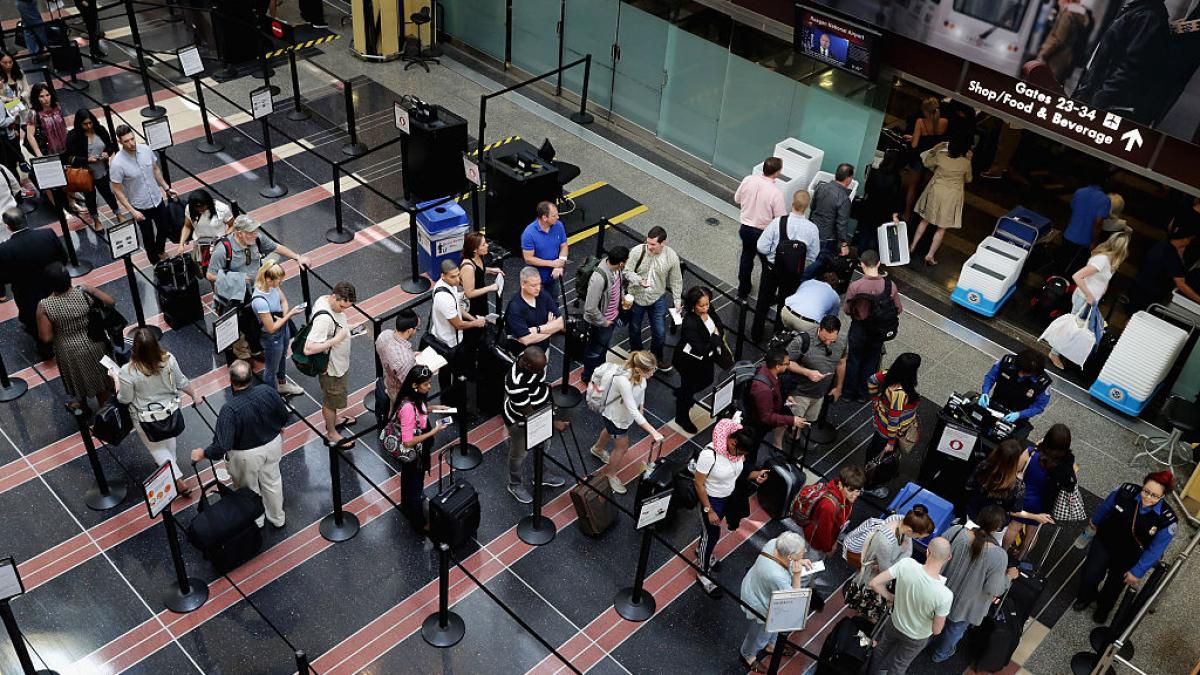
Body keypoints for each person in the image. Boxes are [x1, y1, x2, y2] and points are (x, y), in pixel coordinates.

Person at [191, 360, 290, 529]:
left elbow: (223, 445)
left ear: (231, 381)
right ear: (251, 377)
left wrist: (203, 453)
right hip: (273, 444)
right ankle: (277, 518)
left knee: (248, 489)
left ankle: (256, 520)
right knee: (273, 481)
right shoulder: (267, 391)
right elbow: (283, 414)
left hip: (246, 455)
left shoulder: (229, 409)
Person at [1074, 471, 1178, 623]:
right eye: (1146, 491)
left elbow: (1155, 550)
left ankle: (1103, 609)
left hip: (1129, 555)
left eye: (1154, 495)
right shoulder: (1125, 492)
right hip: (1105, 542)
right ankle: (1085, 597)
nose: (1147, 498)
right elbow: (1106, 506)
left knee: (1114, 587)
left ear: (1163, 496)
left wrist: (1137, 571)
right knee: (1090, 574)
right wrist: (1095, 521)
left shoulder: (1167, 520)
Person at [112, 328, 201, 497]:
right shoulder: (168, 360)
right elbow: (181, 381)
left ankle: (177, 479)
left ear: (135, 349)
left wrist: (116, 380)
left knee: (157, 449)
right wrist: (195, 394)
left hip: (146, 419)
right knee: (169, 442)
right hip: (171, 411)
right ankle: (171, 466)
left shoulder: (127, 371)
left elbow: (125, 398)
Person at [207, 215, 308, 359]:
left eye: (255, 230)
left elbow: (276, 247)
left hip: (258, 289)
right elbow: (210, 275)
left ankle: (257, 348)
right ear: (239, 233)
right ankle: (244, 351)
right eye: (251, 232)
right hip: (236, 296)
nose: (255, 234)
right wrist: (238, 278)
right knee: (244, 325)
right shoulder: (223, 249)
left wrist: (297, 257)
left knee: (259, 320)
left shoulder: (257, 239)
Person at [930, 505, 1019, 662]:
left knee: (930, 620)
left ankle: (923, 643)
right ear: (998, 527)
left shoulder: (956, 531)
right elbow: (994, 588)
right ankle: (940, 654)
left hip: (939, 591)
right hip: (967, 605)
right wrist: (1009, 577)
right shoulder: (998, 555)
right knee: (954, 629)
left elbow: (935, 551)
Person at [694, 422, 769, 598]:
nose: (741, 457)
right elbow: (698, 483)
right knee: (711, 535)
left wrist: (755, 474)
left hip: (728, 496)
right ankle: (702, 572)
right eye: (741, 453)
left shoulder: (735, 454)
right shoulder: (709, 455)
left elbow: (738, 472)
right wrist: (709, 510)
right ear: (732, 442)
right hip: (712, 500)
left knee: (710, 534)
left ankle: (702, 552)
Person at [1071, 0, 1170, 125]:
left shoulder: (1148, 16)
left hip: (1107, 105)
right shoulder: (1138, 10)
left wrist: (1099, 99)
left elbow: (1131, 66)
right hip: (1097, 96)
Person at [866, 537, 954, 675]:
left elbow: (874, 583)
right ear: (948, 558)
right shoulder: (945, 595)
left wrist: (890, 597)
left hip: (895, 623)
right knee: (899, 665)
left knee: (880, 650)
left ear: (927, 552)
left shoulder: (906, 564)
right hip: (917, 637)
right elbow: (936, 630)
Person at [36, 262, 115, 410]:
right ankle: (106, 411)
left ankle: (82, 405)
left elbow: (46, 337)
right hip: (95, 342)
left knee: (77, 379)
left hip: (68, 351)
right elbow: (110, 302)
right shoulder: (83, 291)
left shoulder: (45, 305)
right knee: (100, 379)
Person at [588, 350, 665, 495]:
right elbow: (632, 409)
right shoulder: (623, 380)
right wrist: (653, 431)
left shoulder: (640, 375)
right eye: (650, 371)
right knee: (622, 447)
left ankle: (597, 449)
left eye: (654, 369)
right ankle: (610, 475)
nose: (652, 374)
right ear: (638, 369)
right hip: (615, 417)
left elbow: (641, 392)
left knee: (609, 430)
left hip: (621, 416)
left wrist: (641, 407)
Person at [1049, 232, 1130, 369]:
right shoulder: (1102, 260)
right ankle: (1054, 353)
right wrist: (1089, 295)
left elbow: (1103, 280)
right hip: (1084, 298)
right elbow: (1077, 276)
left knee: (1078, 328)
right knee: (1073, 328)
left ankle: (1061, 352)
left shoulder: (1110, 261)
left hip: (1091, 300)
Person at [387, 365, 451, 529]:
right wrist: (434, 431)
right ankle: (419, 523)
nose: (429, 387)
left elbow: (419, 411)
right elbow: (408, 441)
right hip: (415, 454)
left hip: (417, 453)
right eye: (426, 384)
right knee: (414, 485)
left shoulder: (414, 397)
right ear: (415, 385)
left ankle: (407, 503)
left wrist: (433, 408)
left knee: (409, 480)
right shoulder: (408, 408)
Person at [739, 532, 812, 672]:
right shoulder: (777, 576)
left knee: (774, 627)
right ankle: (748, 654)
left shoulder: (774, 543)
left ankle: (771, 645)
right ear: (790, 556)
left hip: (757, 588)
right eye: (802, 553)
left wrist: (798, 562)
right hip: (760, 605)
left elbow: (782, 562)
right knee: (759, 633)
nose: (804, 554)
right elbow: (794, 600)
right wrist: (797, 575)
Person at [753, 190, 820, 340]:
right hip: (793, 274)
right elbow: (813, 256)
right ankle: (778, 335)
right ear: (807, 206)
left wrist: (771, 254)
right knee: (785, 304)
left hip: (772, 269)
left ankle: (756, 333)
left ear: (792, 203)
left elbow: (761, 247)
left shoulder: (778, 222)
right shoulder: (812, 229)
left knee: (763, 300)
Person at [964, 439, 1055, 549]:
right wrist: (1036, 517)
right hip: (996, 526)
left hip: (973, 516)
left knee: (964, 542)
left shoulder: (983, 467)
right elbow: (1015, 512)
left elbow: (968, 486)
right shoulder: (1017, 486)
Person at [502, 346, 564, 504]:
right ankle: (514, 484)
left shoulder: (527, 357)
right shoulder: (516, 383)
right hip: (521, 422)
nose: (542, 371)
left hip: (541, 411)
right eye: (539, 369)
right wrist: (553, 422)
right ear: (528, 366)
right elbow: (529, 414)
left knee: (544, 445)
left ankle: (541, 475)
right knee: (519, 455)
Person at [0, 207, 65, 353]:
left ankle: (46, 351)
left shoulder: (4, 249)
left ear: (8, 227)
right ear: (26, 219)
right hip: (53, 286)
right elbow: (63, 258)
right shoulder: (47, 234)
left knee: (33, 320)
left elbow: (4, 278)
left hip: (26, 293)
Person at [109, 124, 177, 263]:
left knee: (164, 228)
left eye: (132, 139)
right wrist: (131, 211)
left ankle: (160, 250)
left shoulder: (145, 150)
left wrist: (166, 187)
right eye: (126, 141)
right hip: (139, 205)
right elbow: (116, 189)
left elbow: (155, 169)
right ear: (119, 142)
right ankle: (154, 261)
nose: (131, 143)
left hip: (156, 200)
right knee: (148, 237)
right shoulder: (117, 164)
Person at [303, 281, 358, 448]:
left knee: (334, 398)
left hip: (338, 363)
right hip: (331, 368)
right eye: (341, 306)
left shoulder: (324, 299)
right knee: (330, 400)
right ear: (334, 297)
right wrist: (336, 340)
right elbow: (308, 348)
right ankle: (332, 432)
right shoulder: (324, 320)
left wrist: (348, 328)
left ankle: (336, 419)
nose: (343, 310)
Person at [842, 250, 902, 402]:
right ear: (878, 264)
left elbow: (847, 310)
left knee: (854, 359)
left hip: (859, 329)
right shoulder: (890, 285)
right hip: (879, 331)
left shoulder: (856, 286)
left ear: (862, 264)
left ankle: (847, 393)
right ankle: (864, 394)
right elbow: (898, 309)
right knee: (871, 360)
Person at [862, 353, 922, 499]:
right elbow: (894, 419)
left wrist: (875, 399)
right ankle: (869, 485)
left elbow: (871, 380)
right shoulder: (900, 393)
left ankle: (869, 478)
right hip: (889, 433)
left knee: (875, 451)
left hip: (881, 423)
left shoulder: (887, 374)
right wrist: (891, 442)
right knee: (879, 458)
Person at [672, 286, 731, 433]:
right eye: (702, 305)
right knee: (688, 390)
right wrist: (716, 338)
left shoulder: (709, 309)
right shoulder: (690, 323)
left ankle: (683, 393)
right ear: (693, 305)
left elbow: (719, 324)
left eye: (707, 304)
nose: (706, 308)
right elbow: (701, 348)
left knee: (707, 380)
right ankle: (682, 416)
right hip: (689, 362)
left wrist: (716, 336)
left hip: (706, 358)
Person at [1013, 424, 1077, 558]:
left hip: (1022, 496)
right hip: (1043, 503)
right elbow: (1069, 481)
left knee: (1014, 526)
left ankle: (1003, 550)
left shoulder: (1032, 453)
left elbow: (1016, 469)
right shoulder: (1065, 463)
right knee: (1032, 534)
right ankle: (1019, 558)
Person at [909, 136, 973, 266]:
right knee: (941, 228)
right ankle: (930, 255)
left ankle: (912, 246)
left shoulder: (940, 157)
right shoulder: (965, 163)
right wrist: (969, 160)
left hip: (936, 191)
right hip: (951, 196)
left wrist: (936, 148)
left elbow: (926, 161)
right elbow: (968, 179)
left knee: (925, 221)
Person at [625, 226, 684, 367]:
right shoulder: (637, 251)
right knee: (634, 330)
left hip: (657, 298)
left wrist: (677, 300)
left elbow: (676, 280)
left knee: (660, 332)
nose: (649, 247)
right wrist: (639, 280)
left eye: (653, 244)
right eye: (648, 243)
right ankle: (637, 358)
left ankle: (656, 359)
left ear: (663, 243)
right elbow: (627, 271)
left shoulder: (671, 257)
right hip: (636, 296)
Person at [429, 259, 487, 397]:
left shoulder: (450, 286)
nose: (457, 279)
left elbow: (458, 309)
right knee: (448, 371)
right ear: (443, 276)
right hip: (449, 342)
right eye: (452, 276)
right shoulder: (444, 298)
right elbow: (458, 324)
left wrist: (472, 318)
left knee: (450, 370)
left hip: (449, 338)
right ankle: (449, 396)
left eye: (458, 275)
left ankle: (452, 394)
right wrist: (476, 323)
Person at [734, 157, 787, 299]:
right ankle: (767, 295)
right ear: (776, 172)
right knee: (767, 263)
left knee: (746, 257)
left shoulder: (748, 180)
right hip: (763, 232)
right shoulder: (776, 193)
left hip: (745, 228)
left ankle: (743, 289)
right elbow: (780, 217)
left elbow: (737, 199)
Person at [250, 262, 305, 397]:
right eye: (278, 280)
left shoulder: (273, 287)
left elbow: (284, 301)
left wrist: (283, 318)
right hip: (272, 337)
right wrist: (290, 314)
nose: (281, 282)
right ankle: (272, 398)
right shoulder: (260, 301)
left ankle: (282, 384)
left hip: (282, 328)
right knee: (271, 369)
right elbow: (271, 328)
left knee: (282, 357)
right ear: (268, 279)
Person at [743, 348, 808, 460]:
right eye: (786, 363)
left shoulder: (768, 372)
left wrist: (785, 397)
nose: (788, 366)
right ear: (778, 366)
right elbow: (766, 417)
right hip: (757, 424)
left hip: (765, 413)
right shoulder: (763, 389)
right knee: (752, 448)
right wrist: (792, 420)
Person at [783, 315, 847, 425]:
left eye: (832, 340)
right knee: (792, 423)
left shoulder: (842, 340)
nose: (828, 343)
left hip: (820, 394)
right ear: (819, 328)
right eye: (824, 339)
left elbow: (841, 362)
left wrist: (839, 387)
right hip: (799, 392)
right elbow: (785, 363)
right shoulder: (802, 341)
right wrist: (807, 372)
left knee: (808, 421)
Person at [1127, 222, 1200, 314]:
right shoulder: (1172, 256)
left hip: (1138, 285)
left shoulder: (1163, 244)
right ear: (1185, 239)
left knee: (1132, 316)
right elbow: (1181, 285)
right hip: (1149, 294)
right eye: (1189, 239)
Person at [581, 245, 629, 383]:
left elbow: (618, 286)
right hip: (601, 322)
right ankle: (588, 376)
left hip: (612, 317)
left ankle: (600, 370)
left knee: (602, 348)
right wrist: (603, 322)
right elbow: (590, 307)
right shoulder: (599, 279)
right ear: (621, 263)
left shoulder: (616, 270)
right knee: (594, 351)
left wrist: (622, 297)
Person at [980, 348, 1052, 440]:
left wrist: (1019, 414)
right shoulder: (1006, 362)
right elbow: (990, 377)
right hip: (995, 404)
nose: (1021, 374)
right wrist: (985, 393)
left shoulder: (1043, 383)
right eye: (1020, 370)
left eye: (1025, 373)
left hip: (1017, 417)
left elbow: (1038, 407)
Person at [63, 109, 117, 231]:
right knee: (90, 197)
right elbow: (69, 157)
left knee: (107, 192)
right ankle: (96, 220)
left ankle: (117, 212)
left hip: (101, 169)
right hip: (85, 174)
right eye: (85, 124)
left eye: (90, 123)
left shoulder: (100, 130)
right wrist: (86, 160)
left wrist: (107, 153)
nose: (88, 126)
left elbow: (110, 145)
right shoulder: (73, 136)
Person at [24, 83, 73, 215]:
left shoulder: (57, 106)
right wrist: (39, 153)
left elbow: (63, 125)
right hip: (47, 151)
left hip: (63, 148)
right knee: (49, 182)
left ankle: (72, 203)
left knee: (67, 176)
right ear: (36, 98)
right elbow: (30, 135)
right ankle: (60, 210)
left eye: (47, 95)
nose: (46, 99)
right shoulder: (33, 113)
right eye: (41, 96)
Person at [803, 464, 865, 560]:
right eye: (850, 490)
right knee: (811, 564)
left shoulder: (843, 494)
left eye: (858, 491)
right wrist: (828, 548)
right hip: (815, 541)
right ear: (840, 485)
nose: (854, 495)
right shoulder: (829, 506)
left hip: (826, 536)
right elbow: (823, 532)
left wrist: (834, 540)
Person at [459, 232, 502, 367]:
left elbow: (480, 270)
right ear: (474, 249)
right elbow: (469, 293)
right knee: (472, 335)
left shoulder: (479, 258)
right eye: (483, 244)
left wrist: (491, 270)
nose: (487, 246)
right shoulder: (467, 267)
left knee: (481, 329)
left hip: (481, 301)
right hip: (472, 305)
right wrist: (490, 288)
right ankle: (469, 365)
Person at [903, 98, 947, 222]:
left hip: (919, 158)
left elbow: (915, 144)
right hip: (933, 159)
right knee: (925, 189)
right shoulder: (944, 122)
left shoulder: (920, 122)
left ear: (925, 111)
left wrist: (913, 137)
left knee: (912, 186)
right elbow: (934, 140)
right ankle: (921, 214)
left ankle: (907, 214)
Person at [1056, 181, 1113, 276]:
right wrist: (1094, 242)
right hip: (1084, 242)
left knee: (1061, 264)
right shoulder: (1105, 200)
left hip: (1069, 235)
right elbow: (1098, 223)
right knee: (1075, 270)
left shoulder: (1079, 192)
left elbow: (1072, 212)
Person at [809, 163, 855, 276]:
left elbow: (812, 206)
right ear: (848, 179)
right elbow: (841, 224)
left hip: (814, 229)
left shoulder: (821, 187)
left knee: (812, 259)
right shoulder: (844, 199)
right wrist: (844, 244)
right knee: (820, 263)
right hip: (828, 237)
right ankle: (803, 281)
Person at [855, 149, 904, 255]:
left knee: (865, 232)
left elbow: (867, 189)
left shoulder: (875, 173)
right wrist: (895, 214)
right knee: (879, 237)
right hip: (885, 211)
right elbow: (897, 197)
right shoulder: (896, 178)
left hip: (870, 206)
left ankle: (860, 256)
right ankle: (874, 259)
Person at [176, 189, 234, 275]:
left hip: (218, 245)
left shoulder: (222, 208)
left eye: (202, 207)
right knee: (206, 272)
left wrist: (224, 238)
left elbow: (232, 225)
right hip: (200, 245)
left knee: (221, 271)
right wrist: (181, 244)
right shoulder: (189, 208)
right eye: (197, 208)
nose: (200, 210)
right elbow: (187, 226)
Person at [1037, 0, 1093, 84]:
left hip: (1055, 60)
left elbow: (1059, 39)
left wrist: (1044, 53)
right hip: (1067, 60)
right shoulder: (1082, 16)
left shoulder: (1068, 14)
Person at [506, 266, 563, 347]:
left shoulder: (543, 295)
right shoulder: (515, 307)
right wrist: (550, 328)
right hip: (526, 354)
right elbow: (525, 340)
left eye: (539, 284)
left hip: (544, 348)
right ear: (523, 284)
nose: (538, 288)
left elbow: (560, 323)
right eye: (533, 285)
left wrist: (537, 329)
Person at [375, 308, 419, 414]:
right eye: (417, 328)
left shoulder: (384, 335)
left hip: (389, 383)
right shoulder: (405, 360)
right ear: (409, 330)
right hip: (401, 394)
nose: (416, 330)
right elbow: (408, 384)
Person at [521, 201, 568, 298]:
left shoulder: (558, 225)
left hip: (553, 276)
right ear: (545, 218)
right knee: (538, 307)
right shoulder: (529, 234)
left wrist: (560, 263)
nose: (558, 217)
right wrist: (552, 263)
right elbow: (528, 258)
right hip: (537, 281)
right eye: (554, 216)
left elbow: (564, 245)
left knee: (554, 302)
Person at [0, 52, 26, 179]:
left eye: (10, 62)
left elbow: (26, 89)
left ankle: (20, 159)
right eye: (5, 62)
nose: (8, 65)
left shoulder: (19, 73)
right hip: (8, 111)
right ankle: (19, 159)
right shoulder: (0, 78)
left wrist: (21, 97)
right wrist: (9, 100)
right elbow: (0, 96)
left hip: (20, 108)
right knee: (12, 137)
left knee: (19, 133)